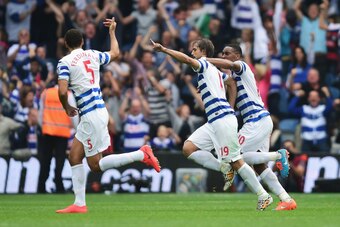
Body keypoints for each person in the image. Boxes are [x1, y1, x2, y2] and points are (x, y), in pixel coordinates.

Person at [151, 38, 273, 211]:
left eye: (194, 49)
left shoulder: (202, 64)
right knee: (188, 148)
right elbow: (231, 82)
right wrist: (230, 105)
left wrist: (164, 49)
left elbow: (186, 60)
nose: (192, 53)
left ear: (203, 52)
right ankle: (224, 168)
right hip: (215, 120)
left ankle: (263, 195)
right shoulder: (214, 72)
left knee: (236, 160)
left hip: (222, 119)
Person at [56, 17, 161, 214]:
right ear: (82, 42)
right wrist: (112, 32)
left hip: (89, 115)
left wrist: (67, 107)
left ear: (65, 44)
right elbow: (115, 53)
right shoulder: (93, 55)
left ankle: (141, 154)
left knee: (95, 165)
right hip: (99, 111)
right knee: (74, 156)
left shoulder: (64, 62)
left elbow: (62, 92)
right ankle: (79, 204)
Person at [207, 44, 297, 210]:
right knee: (259, 165)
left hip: (256, 121)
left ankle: (278, 156)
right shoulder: (235, 77)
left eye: (227, 53)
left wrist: (205, 60)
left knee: (233, 157)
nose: (224, 56)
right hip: (260, 120)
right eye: (223, 53)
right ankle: (286, 199)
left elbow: (228, 65)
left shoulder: (242, 66)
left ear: (237, 56)